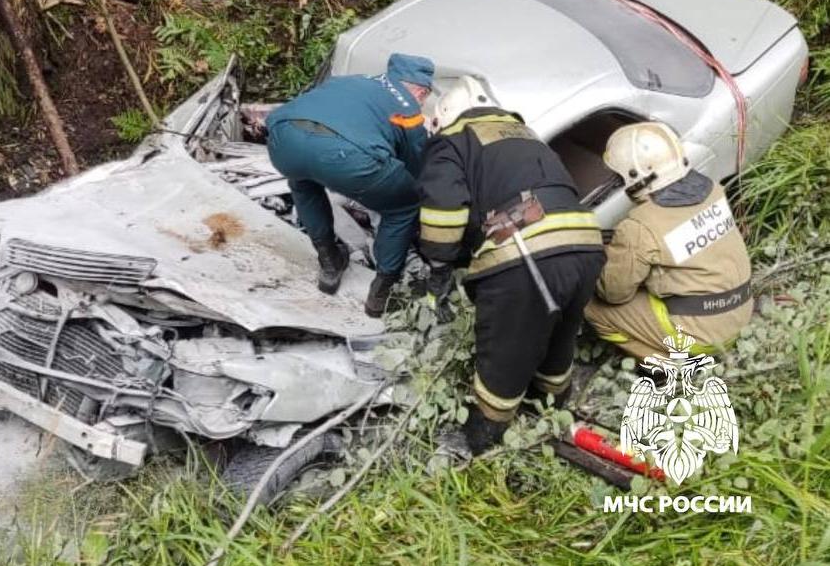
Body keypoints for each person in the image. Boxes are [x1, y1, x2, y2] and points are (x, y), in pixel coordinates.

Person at [417, 76, 605, 464]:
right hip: (586, 242)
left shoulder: (451, 141)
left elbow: (443, 212)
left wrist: (438, 263)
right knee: (560, 332)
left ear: (443, 116)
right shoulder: (523, 132)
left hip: (526, 254)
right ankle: (550, 403)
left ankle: (482, 435)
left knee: (506, 351)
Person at [266, 53, 435, 317]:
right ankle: (382, 292)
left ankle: (329, 263)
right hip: (346, 157)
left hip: (283, 137)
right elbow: (415, 167)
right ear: (421, 90)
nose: (423, 103)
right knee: (404, 206)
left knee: (303, 183)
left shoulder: (349, 81)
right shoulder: (408, 108)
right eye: (425, 98)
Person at [585, 122, 752, 359]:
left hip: (702, 334)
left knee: (593, 307)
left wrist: (604, 257)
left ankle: (667, 366)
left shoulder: (640, 227)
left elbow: (613, 293)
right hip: (740, 313)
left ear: (634, 176)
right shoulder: (714, 190)